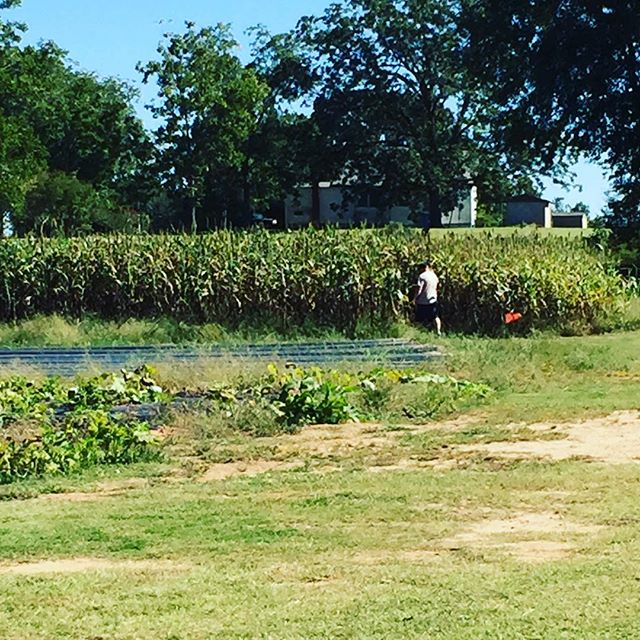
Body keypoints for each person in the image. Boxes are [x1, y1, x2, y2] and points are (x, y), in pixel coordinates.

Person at [413, 261, 442, 335]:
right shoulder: (434, 275)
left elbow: (419, 289)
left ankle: (419, 333)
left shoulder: (422, 276)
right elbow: (438, 286)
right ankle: (438, 331)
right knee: (435, 316)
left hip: (423, 300)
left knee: (419, 318)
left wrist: (415, 299)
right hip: (433, 299)